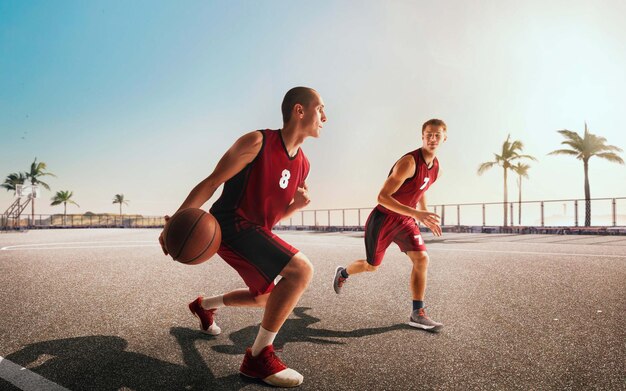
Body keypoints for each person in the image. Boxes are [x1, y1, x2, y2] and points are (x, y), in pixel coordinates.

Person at [159, 87, 327, 387]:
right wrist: (176, 221)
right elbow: (212, 182)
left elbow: (272, 217)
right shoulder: (257, 141)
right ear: (299, 111)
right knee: (301, 270)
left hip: (256, 230)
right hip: (229, 224)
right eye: (321, 109)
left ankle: (204, 305)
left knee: (266, 298)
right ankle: (259, 357)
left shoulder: (303, 165)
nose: (325, 117)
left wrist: (295, 207)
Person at [333, 119, 447, 332]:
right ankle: (343, 273)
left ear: (444, 138)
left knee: (422, 259)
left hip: (405, 220)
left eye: (437, 135)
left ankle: (417, 313)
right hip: (383, 219)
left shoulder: (437, 169)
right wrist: (417, 213)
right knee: (372, 266)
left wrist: (424, 215)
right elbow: (382, 197)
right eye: (429, 135)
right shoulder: (409, 163)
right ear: (422, 137)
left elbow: (422, 190)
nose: (432, 139)